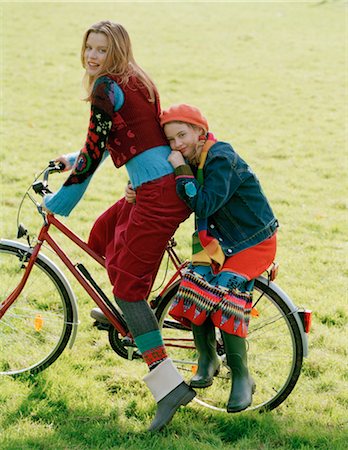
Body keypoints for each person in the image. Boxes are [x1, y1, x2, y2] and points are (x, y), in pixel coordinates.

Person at [43, 21, 195, 431]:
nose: (93, 56)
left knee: (128, 290)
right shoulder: (132, 76)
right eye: (89, 48)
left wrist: (59, 202)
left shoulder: (105, 87)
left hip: (157, 195)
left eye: (101, 50)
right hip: (155, 183)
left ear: (116, 51)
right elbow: (118, 137)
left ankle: (169, 387)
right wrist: (68, 158)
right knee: (103, 234)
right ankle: (131, 317)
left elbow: (96, 150)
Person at [160, 104, 279, 412]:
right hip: (214, 239)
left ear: (201, 131)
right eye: (171, 140)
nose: (177, 145)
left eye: (182, 135)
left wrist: (180, 170)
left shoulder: (220, 157)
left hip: (250, 241)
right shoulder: (192, 157)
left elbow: (204, 202)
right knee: (193, 284)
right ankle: (207, 357)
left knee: (226, 292)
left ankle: (242, 376)